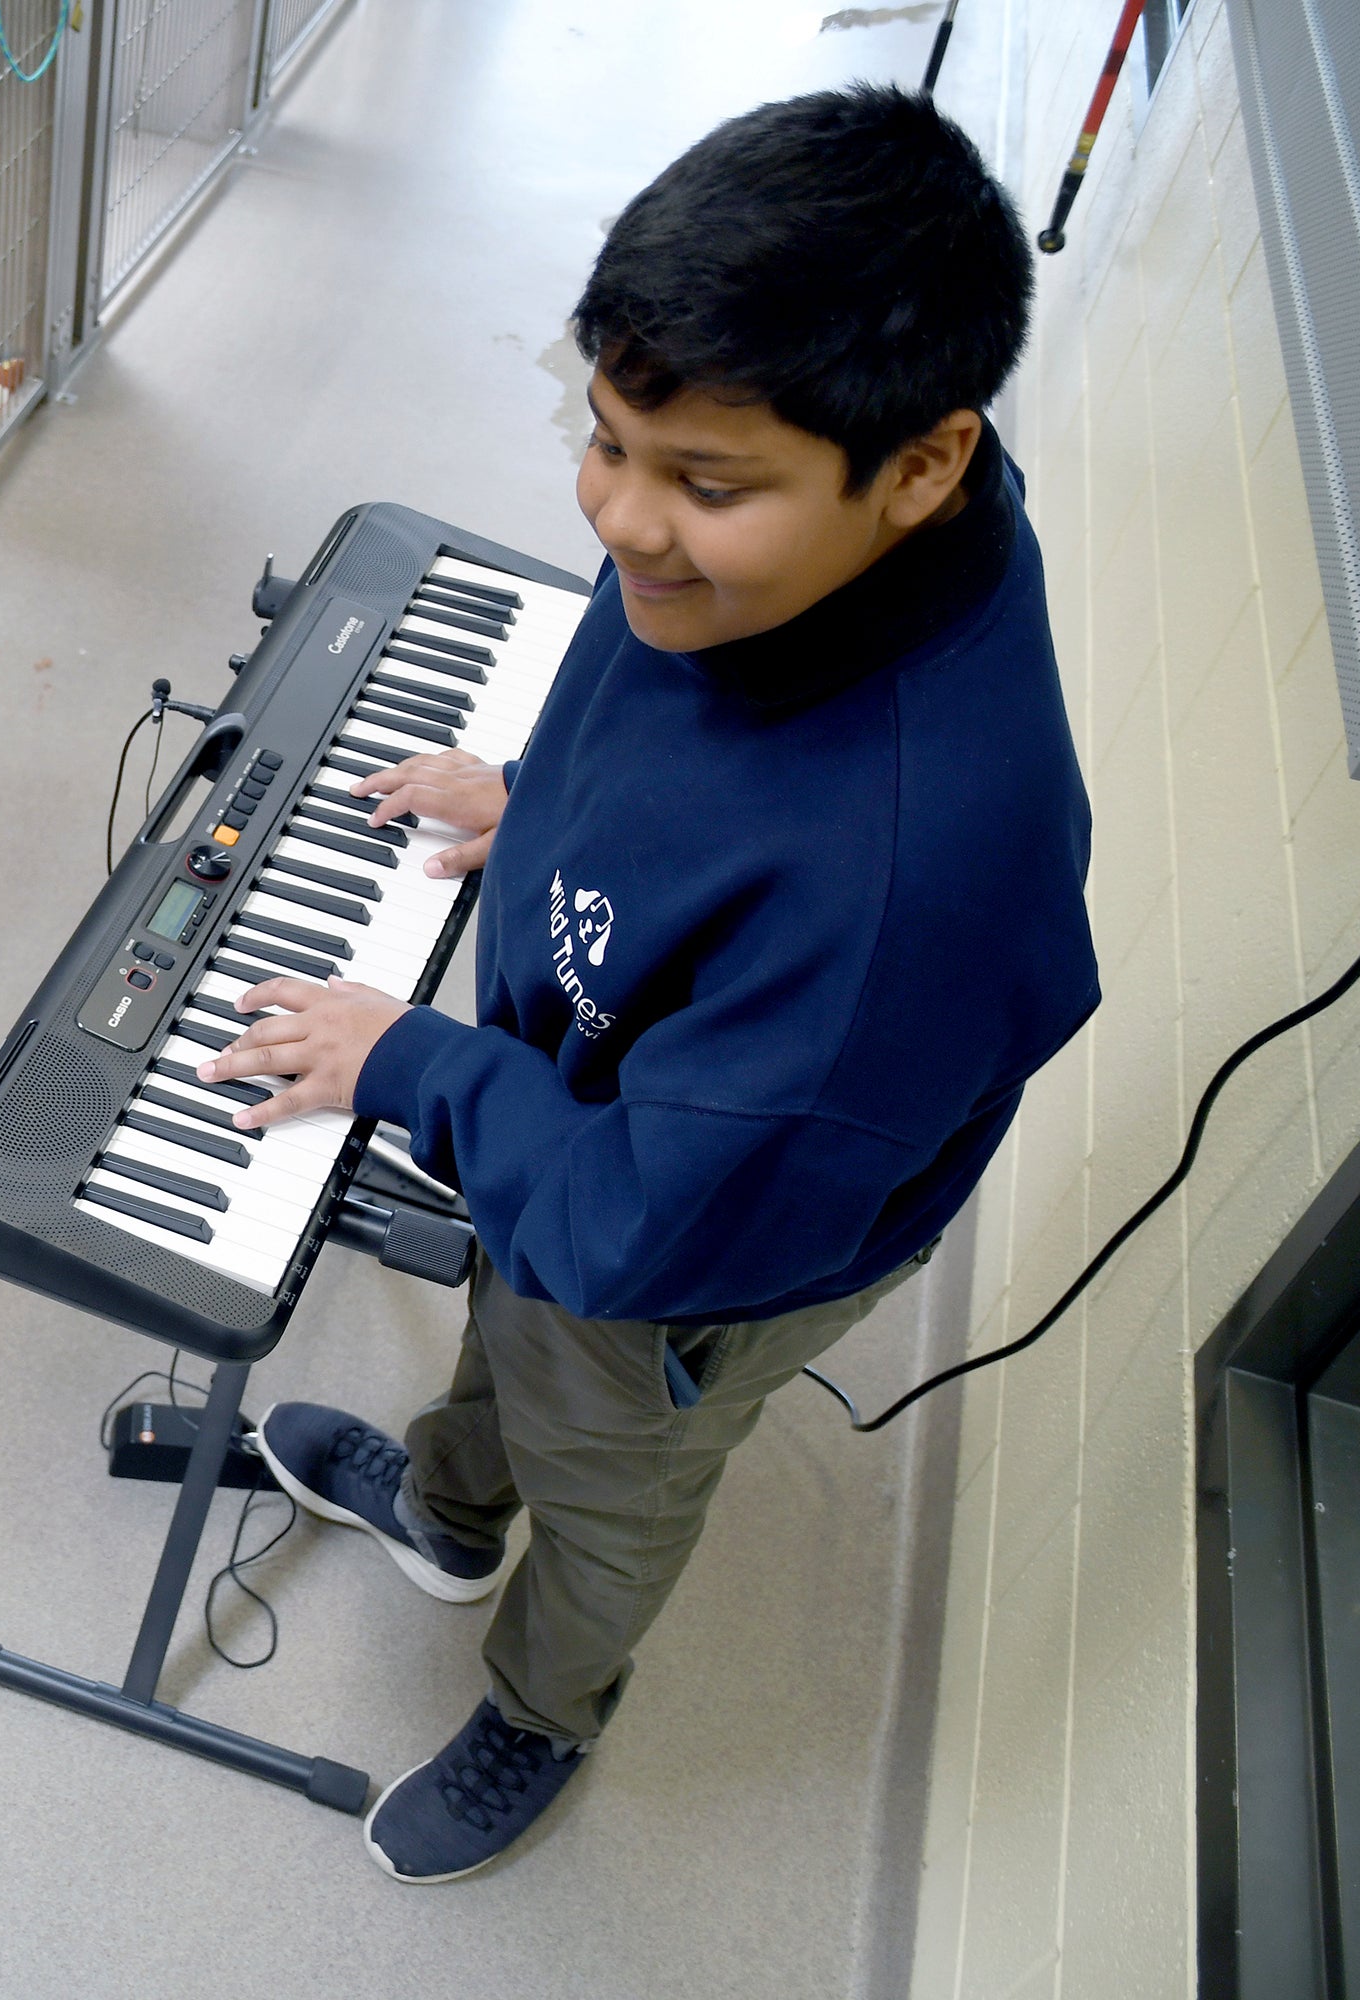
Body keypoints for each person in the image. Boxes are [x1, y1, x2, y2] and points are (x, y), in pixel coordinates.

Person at [199, 83, 1100, 1884]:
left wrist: (412, 1065)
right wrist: (542, 801)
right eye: (606, 441)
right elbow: (673, 724)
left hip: (694, 1250)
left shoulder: (904, 894)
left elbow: (624, 1230)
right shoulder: (805, 540)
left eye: (703, 485)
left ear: (922, 464)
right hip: (604, 1114)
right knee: (507, 1311)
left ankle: (548, 1704)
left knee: (606, 1472)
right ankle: (450, 1514)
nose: (620, 521)